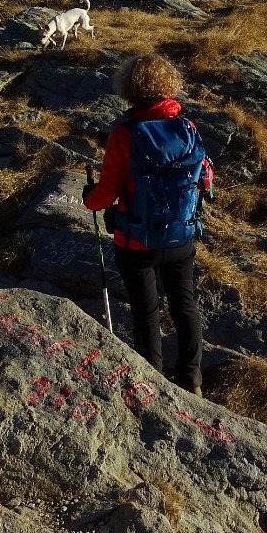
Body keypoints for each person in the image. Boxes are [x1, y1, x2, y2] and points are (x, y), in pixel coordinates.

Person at [84, 53, 211, 396]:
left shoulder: (125, 133)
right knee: (185, 304)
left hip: (137, 243)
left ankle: (152, 383)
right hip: (181, 236)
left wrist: (89, 198)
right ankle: (191, 379)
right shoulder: (187, 127)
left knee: (146, 310)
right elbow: (203, 179)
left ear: (129, 87)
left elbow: (105, 193)